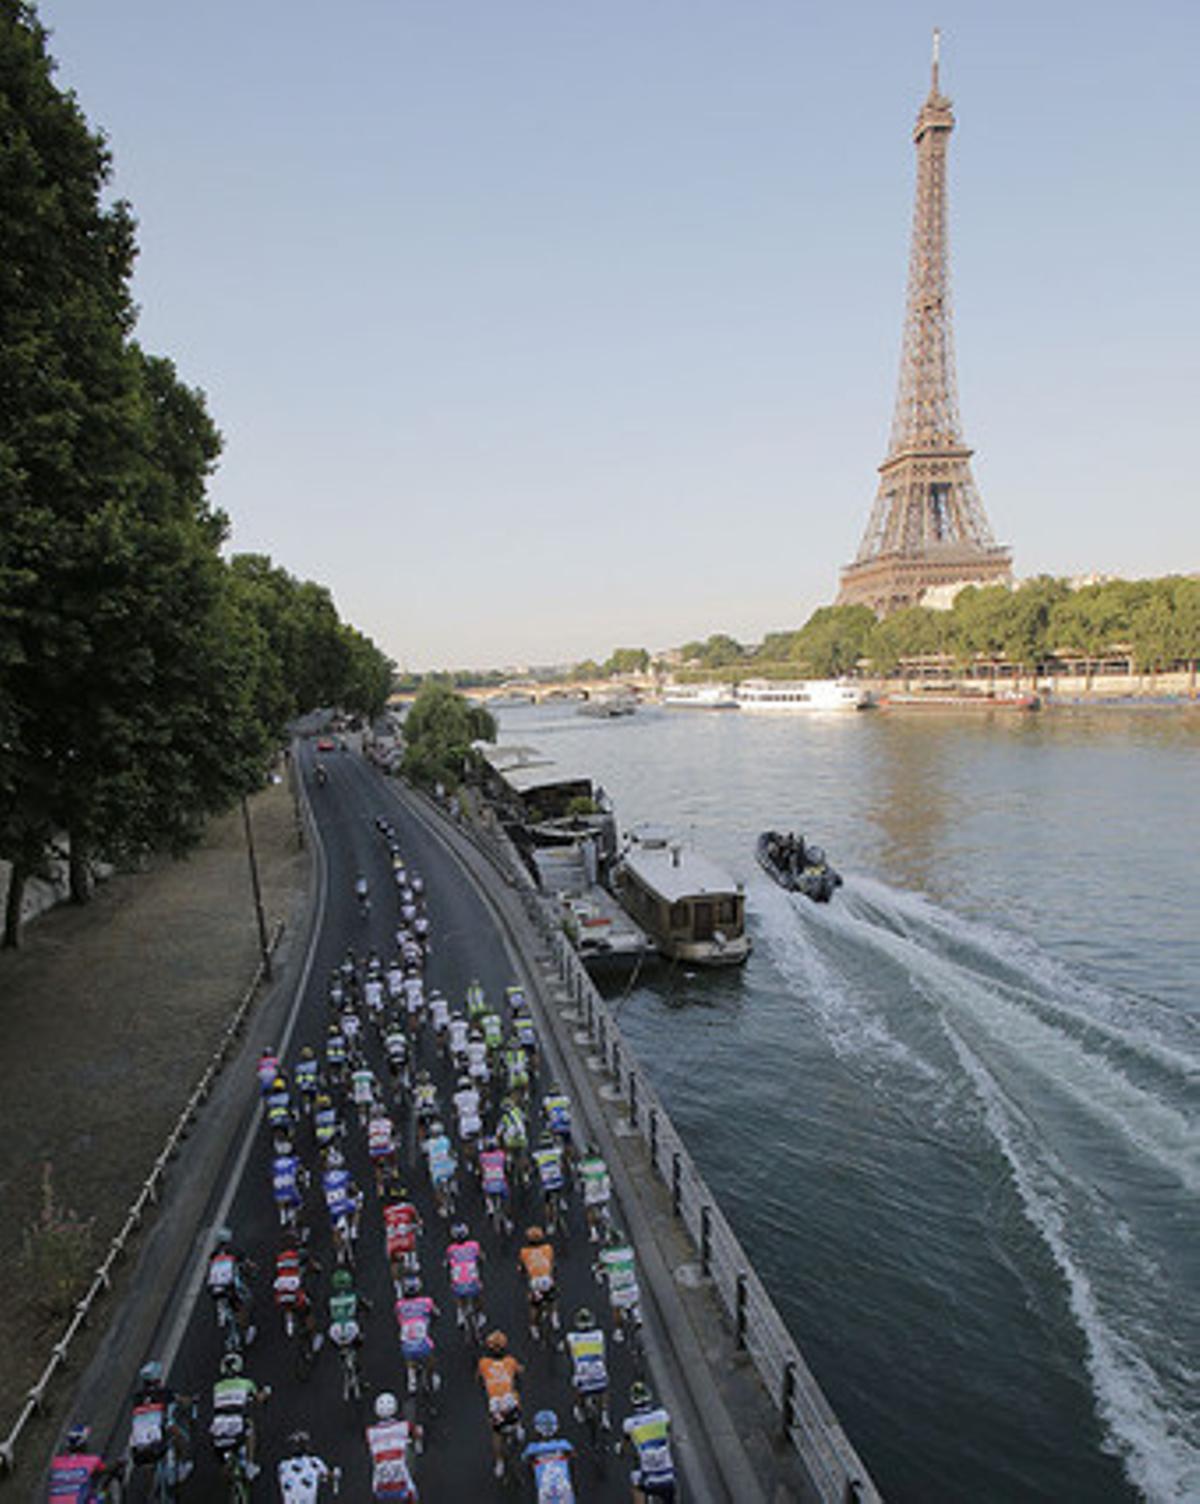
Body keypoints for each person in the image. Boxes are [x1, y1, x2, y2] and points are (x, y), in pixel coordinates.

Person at [127, 1362, 194, 1482]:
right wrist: (191, 1401)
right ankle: (182, 1469)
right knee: (181, 1437)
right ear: (157, 1379)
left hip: (137, 1445)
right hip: (157, 1438)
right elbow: (182, 1401)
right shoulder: (164, 1393)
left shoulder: (136, 1397)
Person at [209, 1352, 269, 1479]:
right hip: (237, 1425)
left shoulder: (217, 1387)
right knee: (250, 1427)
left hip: (217, 1429)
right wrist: (266, 1391)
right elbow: (259, 1398)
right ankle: (250, 1466)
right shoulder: (246, 1383)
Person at [476, 1330, 524, 1480]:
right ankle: (519, 1426)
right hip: (510, 1401)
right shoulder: (511, 1361)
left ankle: (499, 1462)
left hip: (495, 1404)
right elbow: (520, 1372)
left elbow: (478, 1379)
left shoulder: (483, 1363)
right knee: (516, 1395)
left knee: (496, 1434)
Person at [622, 1383, 677, 1502]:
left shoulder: (629, 1423)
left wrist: (621, 1451)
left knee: (636, 1484)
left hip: (648, 1480)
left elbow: (625, 1445)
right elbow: (669, 1433)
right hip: (668, 1479)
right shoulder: (663, 1415)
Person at [365, 1392, 420, 1501]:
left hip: (380, 1490)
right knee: (414, 1494)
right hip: (402, 1488)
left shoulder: (369, 1432)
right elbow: (416, 1433)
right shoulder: (404, 1426)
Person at [48, 1423, 123, 1501]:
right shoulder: (92, 1461)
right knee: (104, 1491)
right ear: (83, 1444)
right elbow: (109, 1469)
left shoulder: (56, 1462)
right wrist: (119, 1464)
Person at [206, 1227, 255, 1345]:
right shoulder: (235, 1251)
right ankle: (247, 1331)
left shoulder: (213, 1255)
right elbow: (248, 1265)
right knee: (243, 1305)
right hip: (230, 1286)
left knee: (223, 1302)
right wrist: (252, 1271)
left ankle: (222, 1312)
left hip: (214, 1288)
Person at [594, 1226, 642, 1344]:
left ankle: (619, 1331)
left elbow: (600, 1266)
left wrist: (598, 1270)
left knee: (616, 1309)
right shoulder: (629, 1251)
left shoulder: (605, 1255)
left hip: (618, 1290)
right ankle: (637, 1315)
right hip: (632, 1288)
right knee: (634, 1300)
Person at [566, 1307, 611, 1430]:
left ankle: (579, 1409)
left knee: (577, 1387)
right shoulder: (599, 1335)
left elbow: (568, 1352)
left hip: (583, 1374)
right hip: (599, 1372)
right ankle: (605, 1416)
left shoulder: (572, 1337)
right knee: (604, 1390)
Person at [394, 1276, 439, 1393]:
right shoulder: (426, 1302)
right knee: (431, 1355)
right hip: (423, 1344)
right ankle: (433, 1375)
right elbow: (436, 1313)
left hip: (407, 1346)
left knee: (409, 1357)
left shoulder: (399, 1305)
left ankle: (411, 1378)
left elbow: (398, 1318)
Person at [522, 1409, 576, 1502]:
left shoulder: (532, 1448)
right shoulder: (565, 1445)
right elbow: (573, 1455)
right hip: (564, 1490)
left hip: (545, 1492)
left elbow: (524, 1459)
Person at [517, 1225, 560, 1341]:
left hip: (535, 1282)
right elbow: (553, 1264)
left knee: (534, 1306)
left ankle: (534, 1327)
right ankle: (554, 1316)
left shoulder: (524, 1252)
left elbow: (521, 1268)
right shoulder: (548, 1248)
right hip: (547, 1280)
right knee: (553, 1297)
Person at [445, 1222, 485, 1336]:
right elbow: (481, 1257)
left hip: (458, 1282)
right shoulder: (474, 1245)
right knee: (478, 1294)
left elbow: (448, 1262)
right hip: (472, 1279)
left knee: (458, 1294)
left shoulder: (451, 1249)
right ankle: (480, 1314)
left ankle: (460, 1313)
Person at [277, 1430, 335, 1503]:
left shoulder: (283, 1465)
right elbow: (328, 1476)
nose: (297, 1447)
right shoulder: (284, 1465)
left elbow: (328, 1476)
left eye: (300, 1444)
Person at [383, 1188, 422, 1287]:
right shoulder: (409, 1207)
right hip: (406, 1242)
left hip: (392, 1243)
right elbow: (419, 1222)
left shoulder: (386, 1211)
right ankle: (413, 1260)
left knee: (394, 1263)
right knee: (412, 1236)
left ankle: (397, 1288)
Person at [422, 1118, 458, 1218]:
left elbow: (425, 1153)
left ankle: (443, 1206)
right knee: (453, 1167)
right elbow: (450, 1152)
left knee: (437, 1190)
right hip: (448, 1168)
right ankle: (453, 1184)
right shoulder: (446, 1140)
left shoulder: (428, 1143)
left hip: (437, 1170)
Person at [532, 1133, 567, 1233]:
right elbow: (562, 1166)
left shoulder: (537, 1155)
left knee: (547, 1204)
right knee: (561, 1182)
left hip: (546, 1184)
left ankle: (550, 1224)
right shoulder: (557, 1152)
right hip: (558, 1181)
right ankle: (562, 1200)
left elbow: (535, 1168)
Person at [578, 1144, 612, 1243]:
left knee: (589, 1210)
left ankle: (594, 1233)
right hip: (603, 1190)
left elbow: (580, 1173)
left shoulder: (584, 1164)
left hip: (591, 1190)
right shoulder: (602, 1163)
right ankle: (608, 1233)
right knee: (604, 1207)